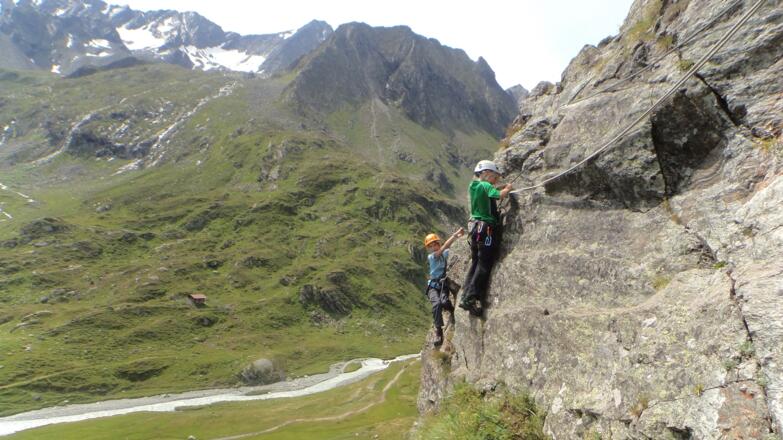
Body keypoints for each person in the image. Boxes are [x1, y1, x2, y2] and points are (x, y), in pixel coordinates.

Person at [459, 160, 512, 316]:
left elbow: (488, 191)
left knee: (475, 262)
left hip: (475, 229)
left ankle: (465, 294)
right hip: (486, 229)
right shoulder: (487, 186)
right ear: (487, 173)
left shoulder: (474, 186)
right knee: (484, 263)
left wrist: (497, 186)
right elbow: (498, 195)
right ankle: (471, 297)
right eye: (495, 177)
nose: (495, 180)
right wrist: (507, 189)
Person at [424, 228, 465, 346]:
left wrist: (461, 238)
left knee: (445, 302)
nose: (434, 247)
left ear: (438, 243)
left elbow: (453, 248)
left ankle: (452, 311)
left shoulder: (445, 253)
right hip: (433, 286)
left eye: (435, 244)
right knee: (437, 304)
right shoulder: (432, 257)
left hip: (442, 284)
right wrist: (455, 234)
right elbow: (445, 247)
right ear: (429, 249)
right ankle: (439, 331)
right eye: (431, 246)